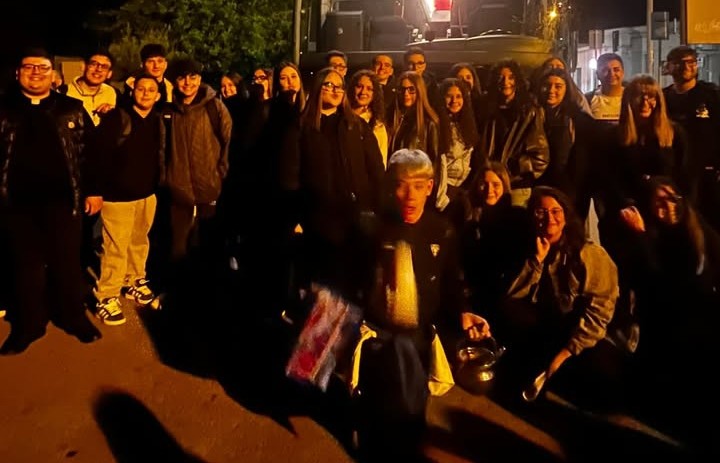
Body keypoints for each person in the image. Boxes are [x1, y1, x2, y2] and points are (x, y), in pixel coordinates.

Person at [354, 148, 489, 461]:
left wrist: (463, 311)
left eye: (418, 186)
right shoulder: (372, 228)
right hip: (377, 339)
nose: (409, 195)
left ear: (430, 187)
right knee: (377, 411)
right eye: (401, 185)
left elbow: (451, 281)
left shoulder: (441, 231)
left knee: (413, 411)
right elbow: (352, 278)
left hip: (418, 339)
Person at [0, 47, 102, 354]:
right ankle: (29, 325)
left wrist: (94, 190)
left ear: (53, 74)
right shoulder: (4, 109)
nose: (36, 73)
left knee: (67, 265)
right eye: (29, 67)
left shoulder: (71, 109)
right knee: (25, 268)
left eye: (42, 68)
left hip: (63, 203)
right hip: (17, 206)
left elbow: (91, 153)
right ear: (17, 73)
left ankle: (73, 318)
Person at [498, 186, 623, 411]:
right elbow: (514, 296)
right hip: (551, 325)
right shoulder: (532, 246)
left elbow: (600, 312)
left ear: (566, 216)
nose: (549, 219)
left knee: (604, 379)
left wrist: (566, 353)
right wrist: (536, 262)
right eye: (541, 212)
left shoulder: (588, 254)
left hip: (584, 333)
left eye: (556, 211)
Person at [89, 74, 165, 325]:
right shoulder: (116, 118)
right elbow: (97, 156)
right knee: (116, 248)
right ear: (132, 92)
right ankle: (107, 295)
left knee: (139, 242)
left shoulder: (158, 120)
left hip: (146, 194)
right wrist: (95, 190)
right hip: (117, 197)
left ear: (158, 95)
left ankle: (133, 280)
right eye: (141, 89)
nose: (146, 93)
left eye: (151, 90)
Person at [663, 45, 720, 233]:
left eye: (691, 62)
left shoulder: (711, 96)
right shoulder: (663, 98)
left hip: (707, 176)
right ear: (669, 67)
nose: (687, 67)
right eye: (680, 63)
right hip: (675, 175)